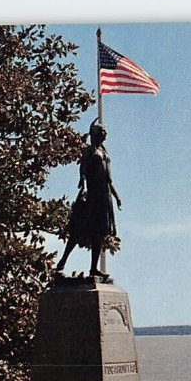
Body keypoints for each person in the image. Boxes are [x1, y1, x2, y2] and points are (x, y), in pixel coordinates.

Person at [56, 118, 122, 278]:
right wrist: (84, 189)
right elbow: (83, 172)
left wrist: (116, 196)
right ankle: (61, 264)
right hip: (90, 194)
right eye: (101, 133)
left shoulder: (105, 153)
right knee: (78, 231)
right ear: (94, 134)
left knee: (98, 234)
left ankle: (94, 268)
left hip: (103, 196)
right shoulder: (89, 151)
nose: (103, 136)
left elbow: (109, 179)